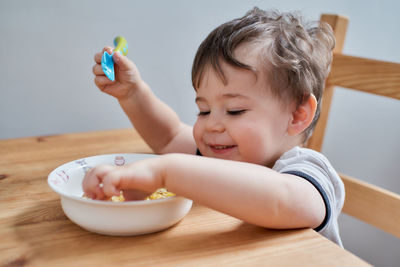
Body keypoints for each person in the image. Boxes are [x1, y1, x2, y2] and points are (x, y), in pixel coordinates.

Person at [83, 7, 345, 246]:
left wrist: (166, 172)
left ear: (297, 115)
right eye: (204, 110)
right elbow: (169, 136)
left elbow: (279, 199)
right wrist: (132, 94)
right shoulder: (224, 154)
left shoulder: (307, 172)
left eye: (235, 111)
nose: (212, 125)